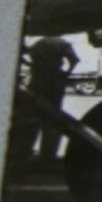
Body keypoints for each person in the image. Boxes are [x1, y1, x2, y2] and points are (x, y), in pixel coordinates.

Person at [14, 35, 80, 169]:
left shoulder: (39, 44)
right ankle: (48, 155)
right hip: (55, 81)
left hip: (38, 81)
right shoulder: (62, 43)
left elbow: (24, 57)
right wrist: (66, 73)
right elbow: (74, 60)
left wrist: (32, 65)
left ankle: (24, 152)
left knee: (32, 117)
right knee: (53, 119)